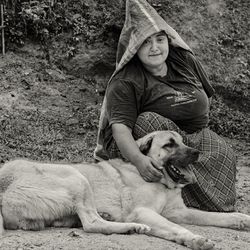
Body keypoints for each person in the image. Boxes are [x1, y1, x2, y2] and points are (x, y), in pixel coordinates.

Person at [94, 0, 236, 212]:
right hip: (141, 141)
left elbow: (205, 95)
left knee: (223, 152)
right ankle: (159, 194)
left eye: (160, 39)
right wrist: (139, 160)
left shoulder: (184, 61)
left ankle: (192, 197)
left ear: (168, 41)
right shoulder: (125, 81)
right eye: (145, 42)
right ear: (134, 48)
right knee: (150, 122)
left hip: (188, 135)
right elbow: (120, 130)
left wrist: (195, 128)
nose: (155, 48)